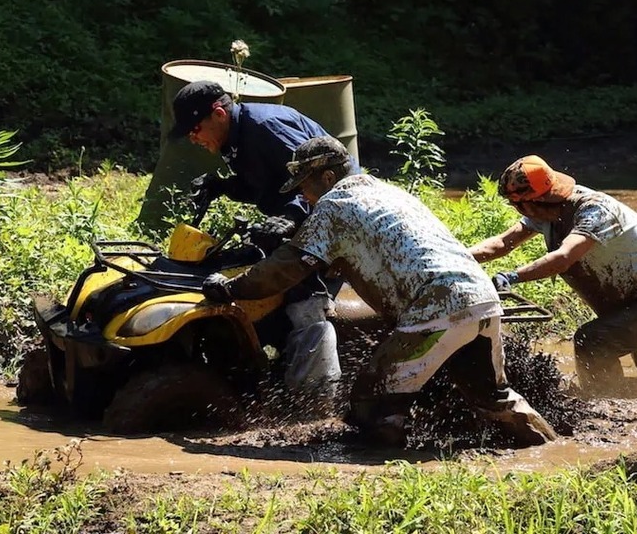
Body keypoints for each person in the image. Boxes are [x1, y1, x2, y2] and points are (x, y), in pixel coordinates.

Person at [201, 136, 558, 446]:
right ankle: (553, 450)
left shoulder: (334, 205)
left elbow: (286, 269)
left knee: (371, 398)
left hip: (437, 305)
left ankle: (384, 471)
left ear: (327, 177)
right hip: (480, 297)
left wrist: (233, 288)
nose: (304, 197)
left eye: (305, 187)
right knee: (495, 399)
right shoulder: (386, 191)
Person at [169, 80, 348, 404]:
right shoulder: (235, 138)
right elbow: (265, 185)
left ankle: (316, 400)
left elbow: (320, 182)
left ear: (219, 114)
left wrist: (291, 218)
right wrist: (224, 187)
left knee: (304, 299)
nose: (192, 138)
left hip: (335, 221)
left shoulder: (266, 127)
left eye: (194, 129)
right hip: (300, 218)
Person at [469, 155, 637, 395]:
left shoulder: (594, 211)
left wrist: (512, 276)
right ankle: (632, 398)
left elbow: (563, 258)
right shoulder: (545, 213)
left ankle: (605, 401)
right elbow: (503, 242)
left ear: (532, 202)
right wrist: (459, 257)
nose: (518, 211)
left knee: (591, 341)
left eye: (517, 205)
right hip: (631, 306)